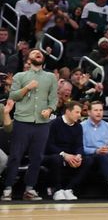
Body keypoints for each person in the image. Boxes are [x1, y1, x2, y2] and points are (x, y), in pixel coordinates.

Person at [2, 48, 58, 201]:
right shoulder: (20, 76)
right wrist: (27, 88)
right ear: (28, 59)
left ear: (43, 58)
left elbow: (54, 99)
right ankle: (7, 189)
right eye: (34, 53)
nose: (38, 54)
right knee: (15, 156)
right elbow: (12, 96)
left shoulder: (51, 77)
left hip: (42, 124)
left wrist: (49, 109)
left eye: (40, 53)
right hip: (22, 122)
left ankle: (30, 189)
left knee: (37, 157)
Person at [43, 100, 88, 200]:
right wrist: (64, 155)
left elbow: (79, 145)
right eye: (77, 112)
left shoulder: (78, 127)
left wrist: (78, 156)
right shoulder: (54, 124)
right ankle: (57, 190)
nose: (79, 115)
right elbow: (49, 145)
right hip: (53, 154)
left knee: (88, 160)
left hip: (71, 155)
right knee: (57, 158)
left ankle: (69, 189)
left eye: (80, 113)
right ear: (68, 111)